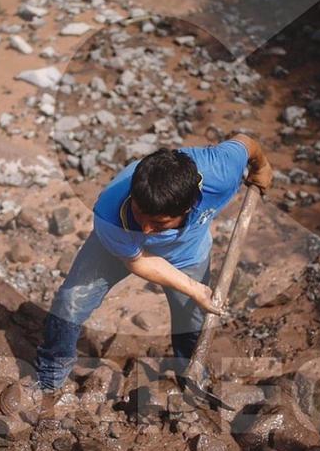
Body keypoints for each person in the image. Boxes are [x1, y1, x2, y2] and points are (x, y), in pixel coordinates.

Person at [34, 133, 272, 396]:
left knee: (192, 321)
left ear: (189, 206)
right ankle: (50, 377)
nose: (146, 229)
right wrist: (194, 287)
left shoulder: (221, 169)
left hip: (188, 254)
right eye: (140, 215)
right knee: (70, 302)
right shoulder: (110, 212)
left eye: (159, 223)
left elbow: (246, 142)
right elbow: (140, 262)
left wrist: (261, 167)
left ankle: (191, 377)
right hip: (118, 249)